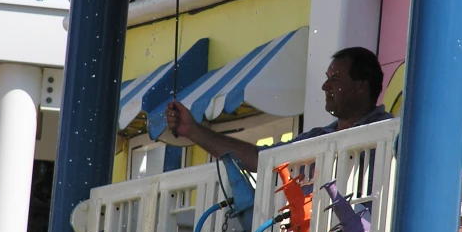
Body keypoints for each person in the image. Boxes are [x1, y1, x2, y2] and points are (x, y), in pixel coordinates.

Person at [166, 47, 393, 172]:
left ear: (361, 86)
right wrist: (193, 130)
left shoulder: (392, 135)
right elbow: (260, 159)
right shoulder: (316, 138)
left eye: (335, 79)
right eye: (327, 79)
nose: (325, 86)